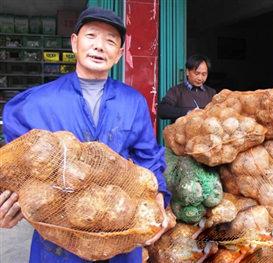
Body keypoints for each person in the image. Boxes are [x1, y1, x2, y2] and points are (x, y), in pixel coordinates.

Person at [0, 6, 171, 263]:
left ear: (119, 54)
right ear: (74, 43)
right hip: (59, 241)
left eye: (110, 41)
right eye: (91, 36)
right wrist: (10, 201)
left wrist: (159, 199)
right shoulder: (36, 102)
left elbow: (149, 156)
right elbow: (15, 165)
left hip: (120, 230)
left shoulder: (132, 101)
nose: (100, 46)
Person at [158, 54, 216, 123]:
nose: (200, 78)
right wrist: (188, 112)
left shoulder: (211, 93)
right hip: (181, 133)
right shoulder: (176, 91)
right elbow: (162, 110)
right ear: (187, 71)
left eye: (204, 74)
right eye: (196, 73)